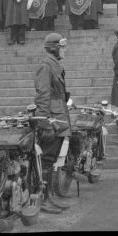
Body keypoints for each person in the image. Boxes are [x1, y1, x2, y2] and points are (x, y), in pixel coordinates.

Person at [33, 32, 72, 213]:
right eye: (62, 46)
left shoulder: (54, 65)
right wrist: (45, 123)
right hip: (52, 120)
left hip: (59, 117)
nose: (65, 50)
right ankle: (43, 199)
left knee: (51, 160)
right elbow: (42, 95)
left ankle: (48, 197)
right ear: (54, 48)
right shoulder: (46, 66)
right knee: (47, 161)